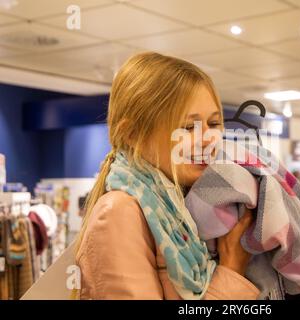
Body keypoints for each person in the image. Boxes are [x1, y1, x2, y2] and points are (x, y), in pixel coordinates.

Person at [73, 52, 259, 300]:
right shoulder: (119, 213)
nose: (207, 139)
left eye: (213, 124)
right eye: (188, 127)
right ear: (133, 134)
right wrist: (232, 267)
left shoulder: (189, 205)